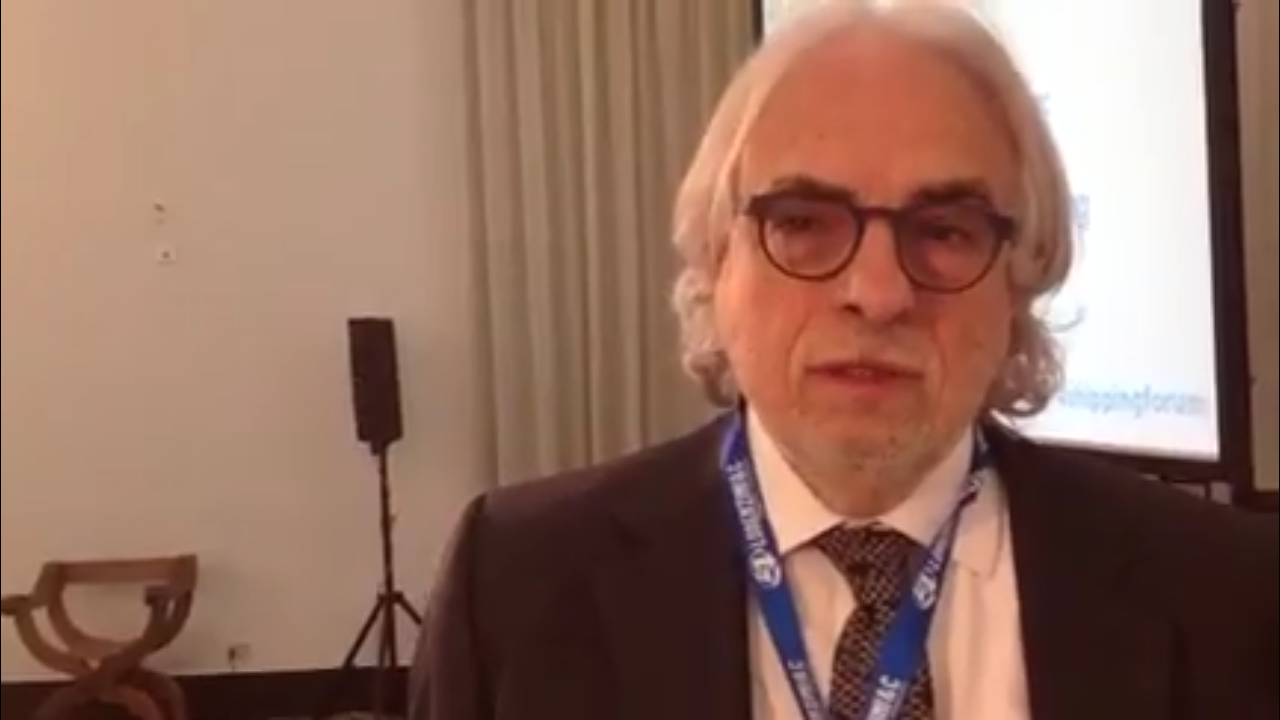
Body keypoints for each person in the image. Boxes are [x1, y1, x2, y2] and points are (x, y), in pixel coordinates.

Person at [408, 2, 1277, 718]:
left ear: (1019, 280)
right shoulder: (518, 587)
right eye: (803, 223)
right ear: (716, 260)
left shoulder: (1229, 594)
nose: (878, 292)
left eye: (944, 232)